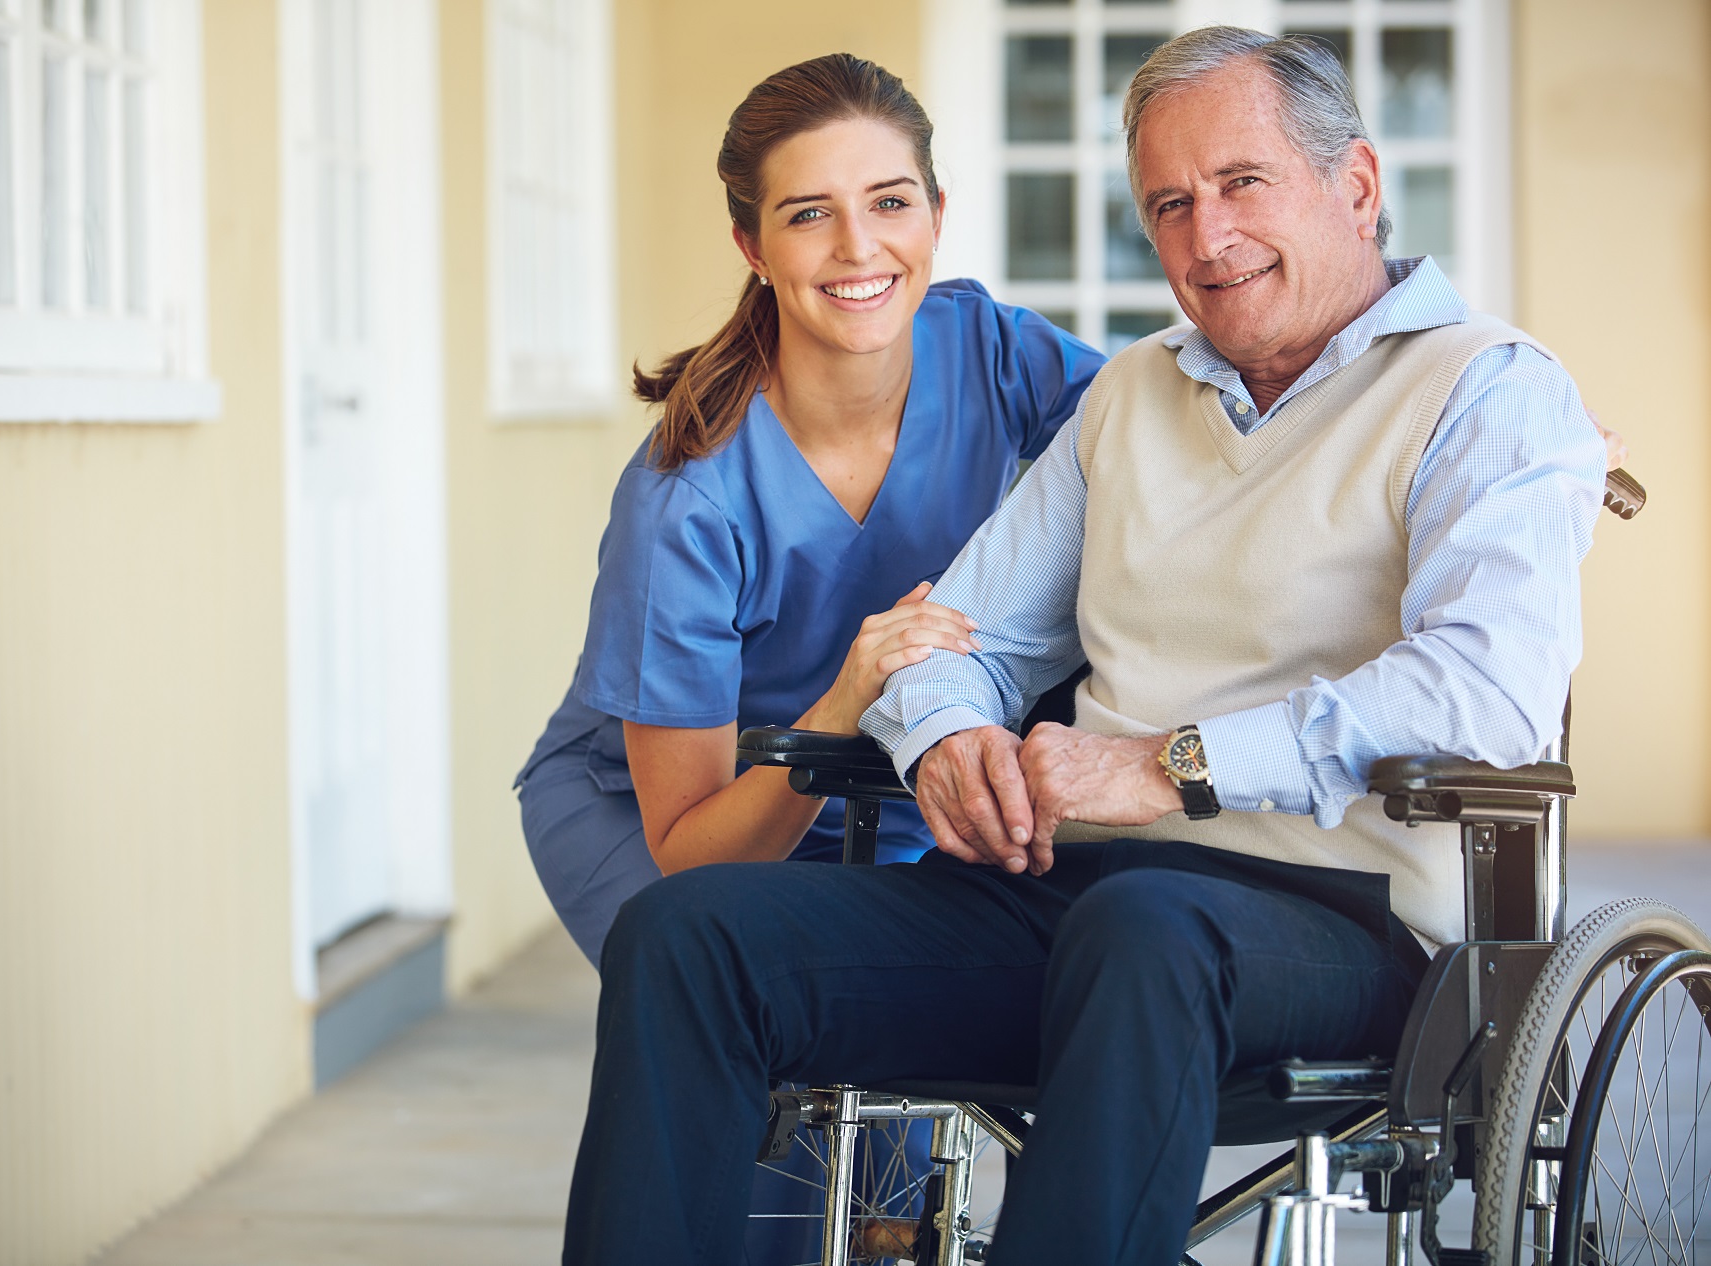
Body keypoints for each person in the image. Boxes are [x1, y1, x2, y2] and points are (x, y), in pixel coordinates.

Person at [561, 27, 1609, 1266]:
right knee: (689, 940)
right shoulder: (1130, 396)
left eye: (1240, 184)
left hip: (1343, 919)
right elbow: (956, 631)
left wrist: (1172, 765)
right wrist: (949, 732)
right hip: (1069, 894)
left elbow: (1482, 690)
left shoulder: (1485, 390)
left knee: (1149, 930)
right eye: (1168, 204)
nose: (1204, 237)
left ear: (1359, 186)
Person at [516, 54, 1104, 968]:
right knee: (745, 1041)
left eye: (891, 201)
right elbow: (694, 856)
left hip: (884, 784)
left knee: (908, 1082)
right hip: (662, 816)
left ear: (938, 218)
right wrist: (843, 700)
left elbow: (1156, 448)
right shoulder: (685, 500)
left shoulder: (993, 351)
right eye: (808, 214)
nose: (859, 246)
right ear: (753, 247)